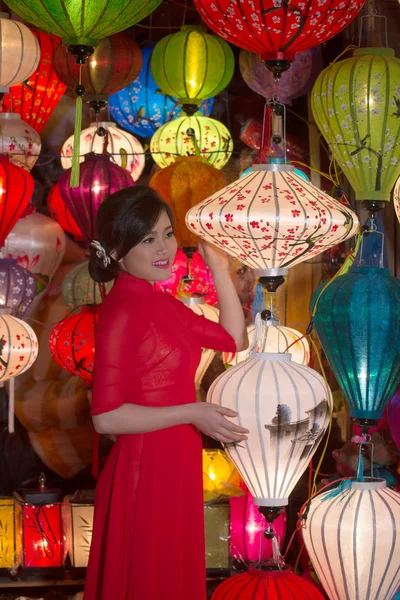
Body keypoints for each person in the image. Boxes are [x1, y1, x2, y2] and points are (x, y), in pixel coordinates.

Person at [84, 186, 249, 600]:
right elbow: (105, 417)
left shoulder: (165, 304)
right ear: (118, 251)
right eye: (148, 238)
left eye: (168, 234)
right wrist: (192, 412)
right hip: (145, 465)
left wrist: (218, 267)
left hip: (175, 456)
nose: (164, 249)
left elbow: (233, 338)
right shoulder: (120, 312)